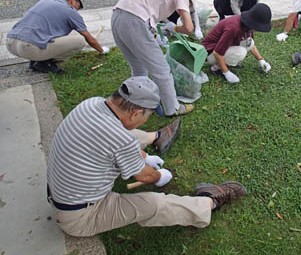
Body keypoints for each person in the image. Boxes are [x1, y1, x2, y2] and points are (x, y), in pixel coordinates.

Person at [46, 76, 247, 237]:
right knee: (154, 204)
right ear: (136, 113)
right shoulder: (121, 141)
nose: (145, 119)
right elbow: (145, 177)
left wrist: (143, 157)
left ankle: (157, 138)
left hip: (62, 192)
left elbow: (118, 140)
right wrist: (160, 176)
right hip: (80, 216)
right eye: (147, 116)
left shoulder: (93, 104)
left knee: (128, 135)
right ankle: (208, 202)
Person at [112, 0, 198, 116]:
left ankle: (138, 100)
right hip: (135, 21)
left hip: (117, 17)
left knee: (138, 66)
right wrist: (175, 28)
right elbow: (189, 27)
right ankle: (173, 108)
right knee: (162, 70)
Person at [6, 0, 108, 74]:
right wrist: (102, 51)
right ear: (72, 1)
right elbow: (89, 39)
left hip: (10, 43)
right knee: (80, 41)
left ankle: (37, 59)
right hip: (29, 48)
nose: (76, 11)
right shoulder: (70, 11)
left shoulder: (45, 0)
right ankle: (45, 62)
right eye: (77, 7)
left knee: (59, 35)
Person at [201, 3, 272, 84]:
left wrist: (261, 60)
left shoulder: (247, 26)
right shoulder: (233, 28)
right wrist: (227, 73)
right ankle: (216, 68)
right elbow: (217, 53)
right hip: (209, 53)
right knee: (240, 52)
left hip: (219, 49)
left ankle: (226, 62)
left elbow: (250, 44)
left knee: (250, 42)